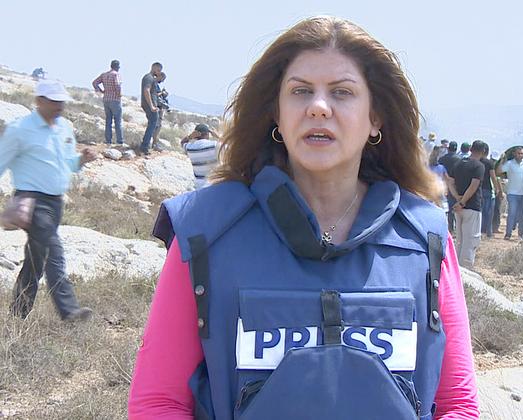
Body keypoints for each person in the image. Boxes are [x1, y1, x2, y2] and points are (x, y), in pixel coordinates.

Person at [128, 17, 478, 419]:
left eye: (342, 92)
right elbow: (158, 403)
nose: (318, 107)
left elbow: (458, 404)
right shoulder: (205, 231)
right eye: (300, 91)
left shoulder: (424, 238)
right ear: (276, 113)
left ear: (376, 117)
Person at [0, 80, 98, 321]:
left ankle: (18, 315)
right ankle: (69, 310)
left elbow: (68, 163)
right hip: (32, 202)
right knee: (54, 253)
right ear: (39, 101)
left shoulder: (64, 127)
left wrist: (82, 159)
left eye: (61, 102)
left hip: (55, 203)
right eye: (54, 101)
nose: (59, 106)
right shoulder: (20, 129)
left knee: (36, 258)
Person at [448, 140, 486, 267]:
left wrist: (457, 197)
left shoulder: (458, 163)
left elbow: (450, 182)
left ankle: (456, 268)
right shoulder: (479, 166)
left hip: (458, 206)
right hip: (472, 206)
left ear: (471, 149)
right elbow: (474, 185)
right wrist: (463, 201)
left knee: (460, 240)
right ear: (483, 152)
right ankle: (466, 269)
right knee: (471, 240)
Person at [497, 146, 523, 240]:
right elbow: (499, 171)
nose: (520, 155)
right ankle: (508, 233)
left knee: (522, 215)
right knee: (512, 213)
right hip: (512, 193)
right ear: (514, 154)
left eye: (521, 153)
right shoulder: (509, 163)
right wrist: (501, 160)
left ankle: (521, 234)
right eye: (518, 153)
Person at [92, 59, 123, 146]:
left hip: (106, 99)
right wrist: (119, 94)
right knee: (118, 121)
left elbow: (94, 83)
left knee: (108, 121)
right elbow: (117, 85)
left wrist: (101, 90)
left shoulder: (104, 74)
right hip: (115, 99)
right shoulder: (116, 74)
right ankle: (119, 141)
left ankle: (108, 140)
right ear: (117, 67)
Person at [180, 123, 220, 190]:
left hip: (199, 186)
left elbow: (182, 143)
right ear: (207, 134)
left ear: (195, 135)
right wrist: (219, 137)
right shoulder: (214, 145)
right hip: (214, 185)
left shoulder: (190, 147)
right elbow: (231, 146)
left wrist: (190, 136)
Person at [140, 62, 163, 156]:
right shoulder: (149, 77)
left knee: (152, 125)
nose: (159, 72)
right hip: (150, 105)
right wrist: (151, 106)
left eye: (160, 71)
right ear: (153, 68)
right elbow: (146, 90)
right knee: (152, 125)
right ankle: (144, 146)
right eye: (158, 70)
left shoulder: (151, 78)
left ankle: (145, 145)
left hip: (151, 105)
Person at [479, 142, 502, 238]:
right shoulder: (489, 163)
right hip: (488, 189)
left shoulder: (477, 161)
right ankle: (488, 231)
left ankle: (480, 230)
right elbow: (493, 176)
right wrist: (497, 189)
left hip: (479, 188)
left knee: (480, 211)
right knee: (489, 212)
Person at [439, 140, 461, 232]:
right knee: (453, 205)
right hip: (455, 185)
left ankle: (447, 226)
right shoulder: (459, 159)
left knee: (443, 206)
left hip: (443, 184)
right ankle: (454, 226)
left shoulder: (442, 159)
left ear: (448, 149)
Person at [429, 146, 450, 214]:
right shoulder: (441, 167)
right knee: (440, 209)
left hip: (429, 190)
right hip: (439, 190)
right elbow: (447, 179)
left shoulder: (426, 167)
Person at [152, 72, 169, 151]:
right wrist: (162, 93)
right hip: (156, 107)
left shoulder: (156, 84)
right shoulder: (153, 84)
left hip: (159, 108)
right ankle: (152, 144)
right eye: (163, 79)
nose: (162, 81)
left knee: (158, 126)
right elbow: (154, 95)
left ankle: (154, 143)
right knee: (155, 126)